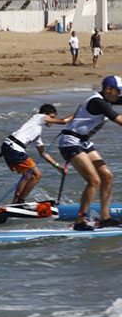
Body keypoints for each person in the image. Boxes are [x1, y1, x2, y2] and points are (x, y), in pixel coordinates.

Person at [59, 76, 122, 231]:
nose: (119, 94)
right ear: (108, 89)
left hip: (84, 142)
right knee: (94, 180)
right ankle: (80, 221)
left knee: (107, 176)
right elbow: (118, 119)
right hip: (70, 142)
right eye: (118, 91)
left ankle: (105, 218)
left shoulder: (107, 98)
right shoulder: (97, 102)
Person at [0, 104, 71, 204]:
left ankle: (15, 203)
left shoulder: (36, 131)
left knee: (27, 176)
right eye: (52, 117)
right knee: (37, 175)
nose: (53, 121)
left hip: (8, 147)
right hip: (14, 148)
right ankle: (20, 202)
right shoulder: (39, 117)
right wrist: (77, 114)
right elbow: (63, 121)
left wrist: (58, 167)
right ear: (45, 114)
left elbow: (43, 154)